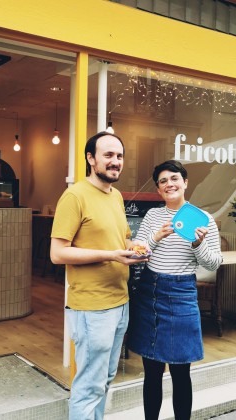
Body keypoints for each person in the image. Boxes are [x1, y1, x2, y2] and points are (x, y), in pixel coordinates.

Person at [50, 131, 149, 420]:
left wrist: (135, 248)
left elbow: (122, 241)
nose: (115, 161)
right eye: (108, 155)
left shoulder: (116, 196)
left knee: (104, 380)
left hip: (120, 304)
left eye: (119, 156)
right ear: (90, 158)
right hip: (93, 308)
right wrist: (111, 255)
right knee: (88, 387)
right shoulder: (74, 196)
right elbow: (58, 253)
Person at [126, 159, 223, 420]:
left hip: (181, 295)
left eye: (174, 178)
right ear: (158, 190)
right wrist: (155, 238)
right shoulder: (153, 216)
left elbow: (214, 263)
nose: (169, 184)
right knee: (152, 371)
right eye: (163, 181)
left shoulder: (203, 219)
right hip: (150, 292)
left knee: (181, 372)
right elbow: (137, 253)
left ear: (185, 182)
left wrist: (197, 245)